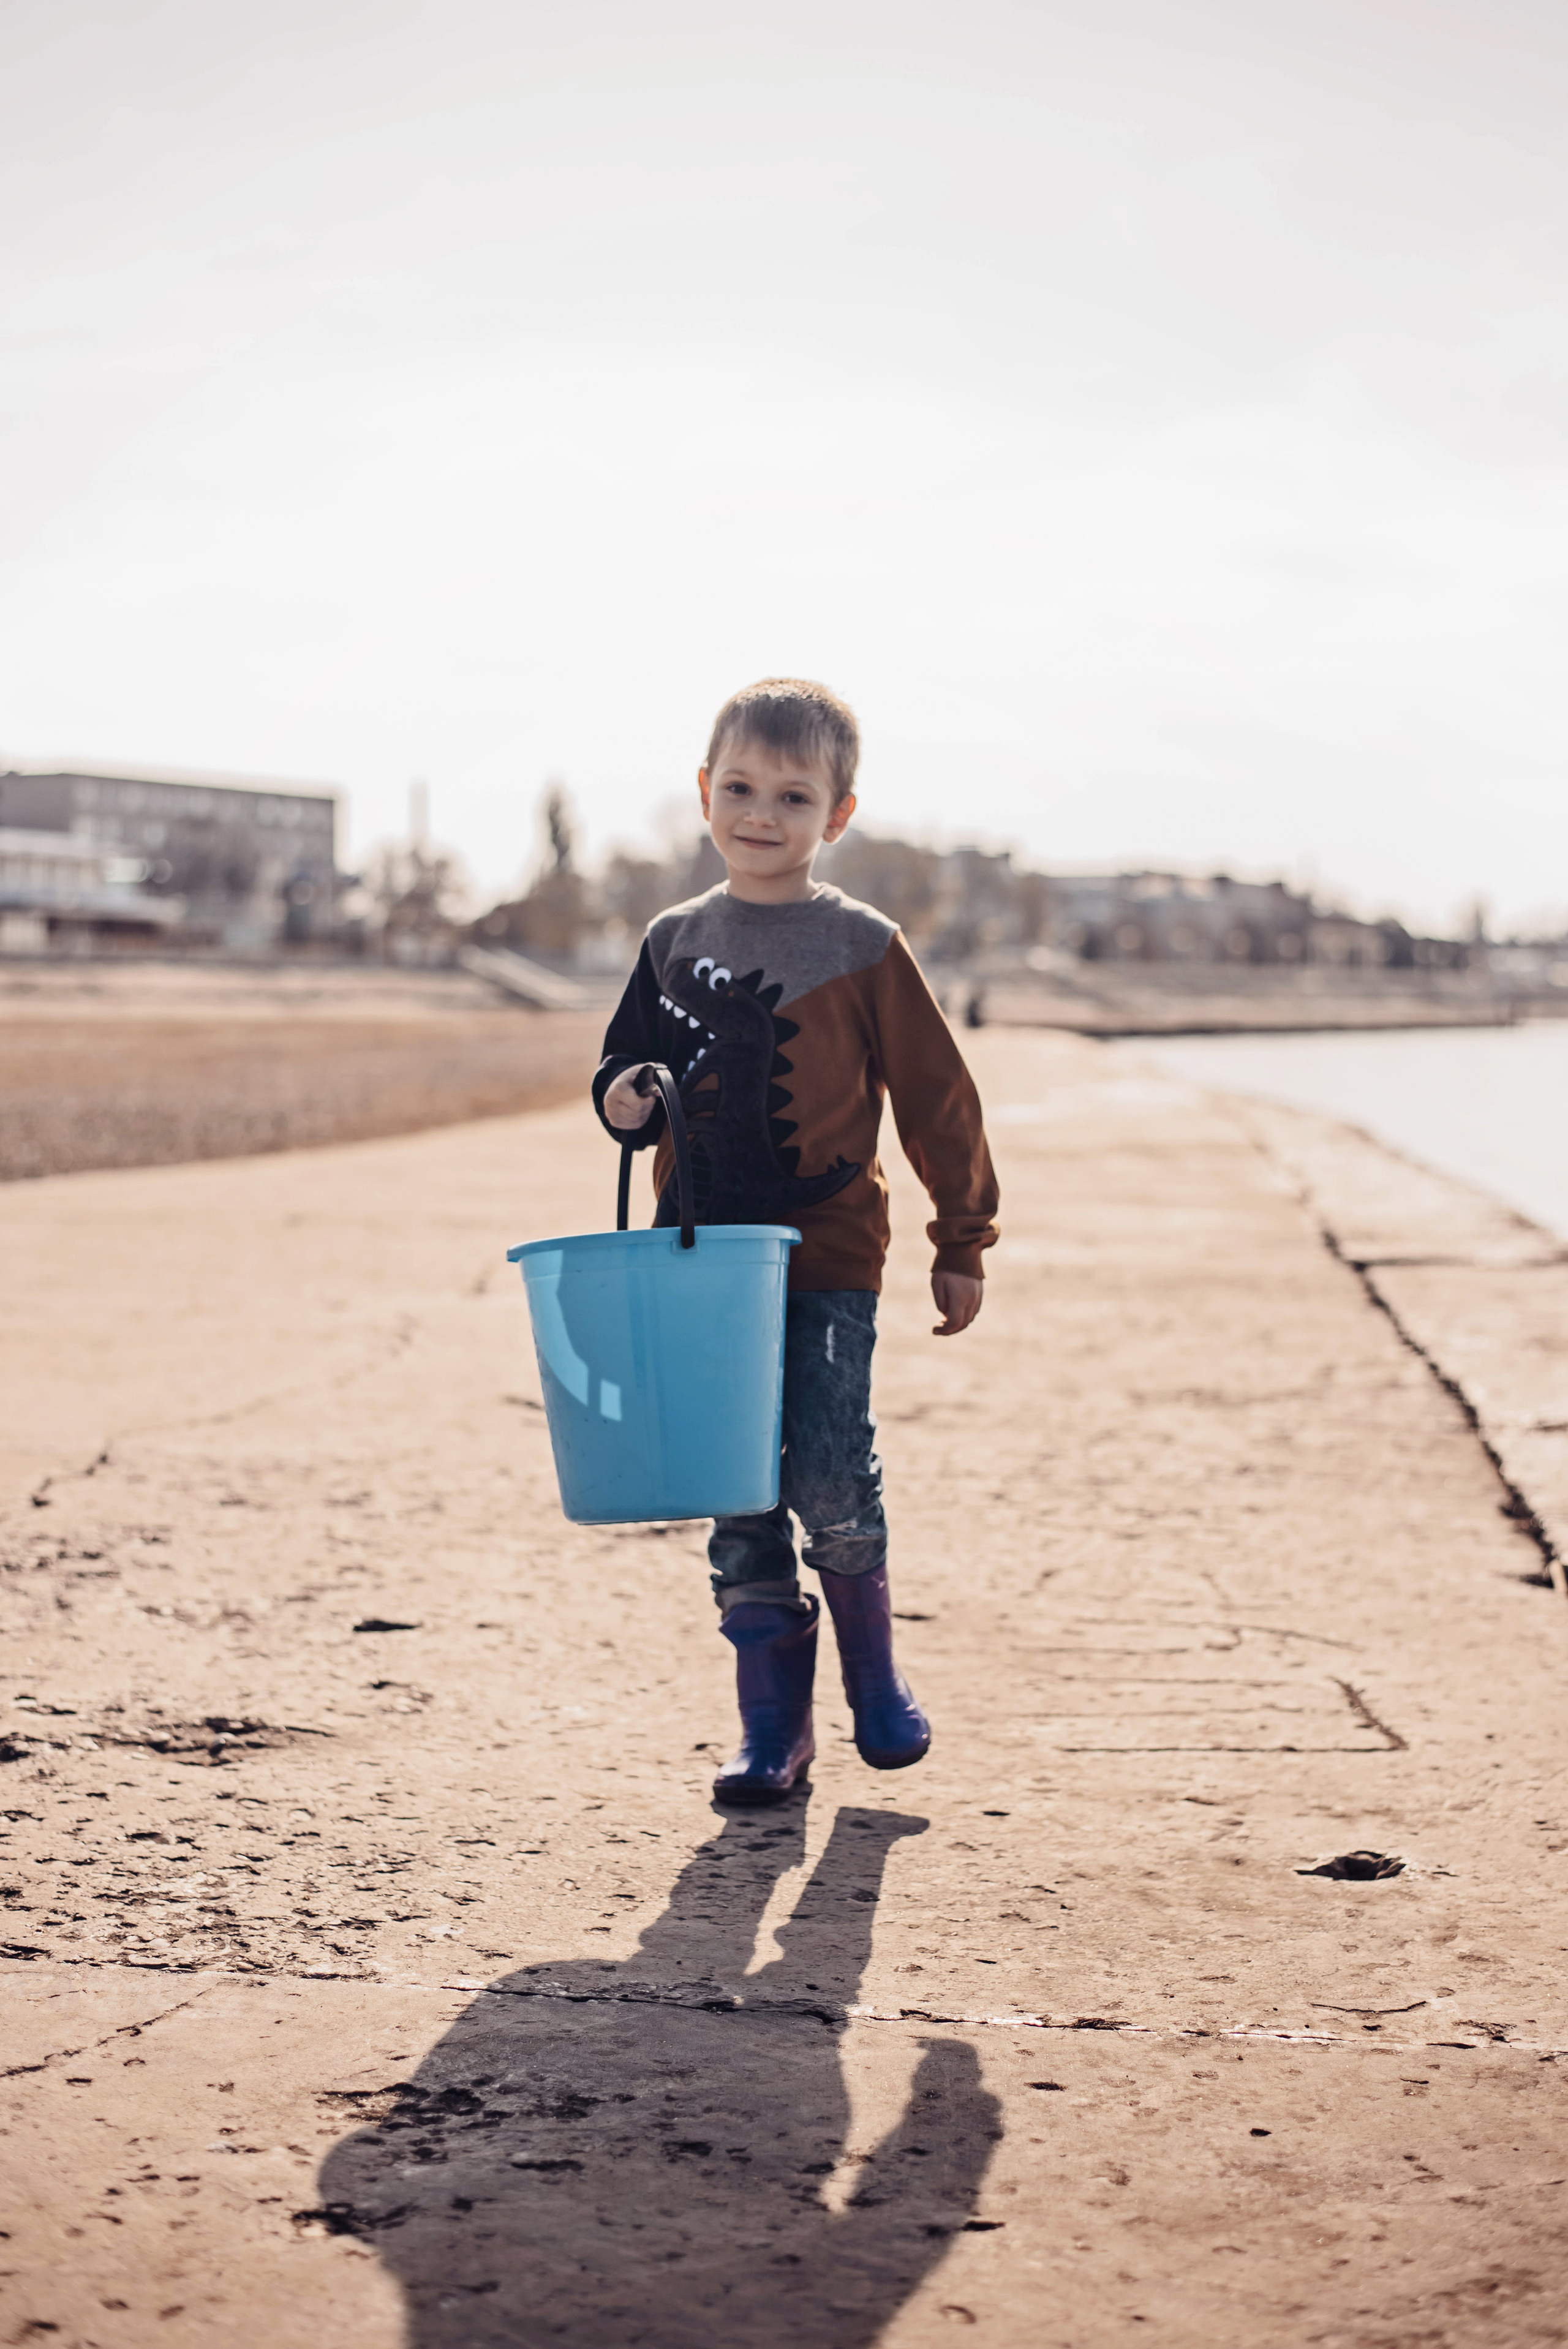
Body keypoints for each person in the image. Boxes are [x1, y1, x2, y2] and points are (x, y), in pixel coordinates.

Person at [594, 677, 999, 1804]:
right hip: (700, 1258)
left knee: (825, 1464)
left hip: (826, 1251)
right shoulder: (673, 940)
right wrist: (625, 1096)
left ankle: (873, 1675)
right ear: (704, 793)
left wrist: (960, 1237)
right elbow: (625, 1069)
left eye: (792, 794)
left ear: (839, 815)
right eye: (740, 788)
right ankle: (775, 1730)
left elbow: (937, 1097)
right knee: (737, 1487)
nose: (760, 813)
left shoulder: (864, 944)